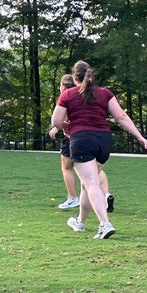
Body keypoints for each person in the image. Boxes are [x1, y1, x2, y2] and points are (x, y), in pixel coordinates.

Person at [51, 61, 147, 239]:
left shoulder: (68, 94)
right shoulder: (105, 93)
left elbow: (56, 121)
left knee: (91, 184)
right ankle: (80, 222)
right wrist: (139, 136)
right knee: (87, 185)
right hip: (103, 141)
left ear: (75, 77)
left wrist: (65, 127)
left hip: (82, 140)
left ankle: (105, 224)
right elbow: (121, 116)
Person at [48, 74, 113, 212]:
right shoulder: (87, 95)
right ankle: (105, 194)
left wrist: (56, 127)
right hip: (94, 138)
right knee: (93, 169)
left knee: (67, 168)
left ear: (64, 86)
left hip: (75, 137)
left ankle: (72, 198)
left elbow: (64, 118)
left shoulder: (68, 95)